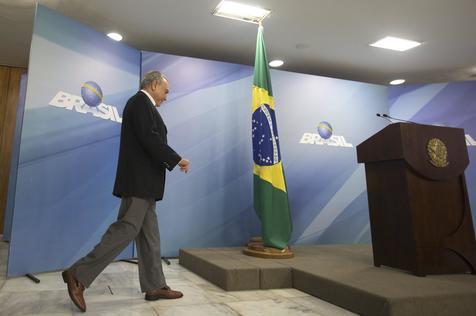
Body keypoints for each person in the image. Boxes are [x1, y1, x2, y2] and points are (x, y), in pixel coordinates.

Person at [62, 71, 190, 312]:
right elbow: (150, 140)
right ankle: (78, 274)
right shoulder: (139, 102)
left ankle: (154, 285)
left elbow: (150, 140)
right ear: (153, 85)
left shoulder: (144, 105)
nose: (166, 96)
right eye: (165, 90)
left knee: (150, 236)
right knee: (126, 229)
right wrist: (176, 159)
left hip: (147, 185)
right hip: (139, 183)